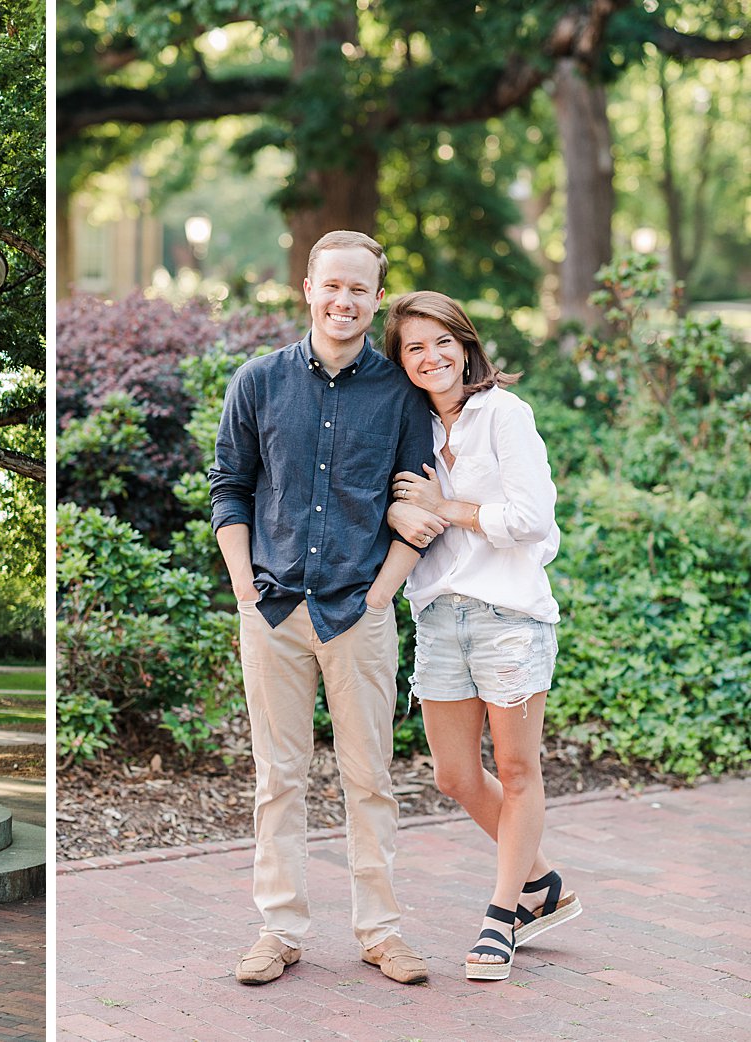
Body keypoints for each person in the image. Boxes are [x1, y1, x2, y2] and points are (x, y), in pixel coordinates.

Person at [208, 230, 435, 986]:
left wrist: (381, 594)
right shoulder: (258, 382)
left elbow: (419, 503)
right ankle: (279, 930)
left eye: (360, 289)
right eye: (332, 285)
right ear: (307, 288)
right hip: (272, 612)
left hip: (358, 614)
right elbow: (229, 487)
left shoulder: (402, 396)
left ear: (377, 298)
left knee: (369, 779)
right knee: (279, 776)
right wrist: (244, 587)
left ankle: (380, 931)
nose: (344, 300)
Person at [383, 290, 582, 982]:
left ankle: (504, 916)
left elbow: (533, 519)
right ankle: (545, 883)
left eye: (443, 342)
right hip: (438, 617)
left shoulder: (505, 414)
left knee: (519, 770)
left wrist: (448, 507)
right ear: (402, 363)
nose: (431, 356)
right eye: (415, 347)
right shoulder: (410, 430)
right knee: (455, 775)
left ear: (465, 346)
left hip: (509, 617)